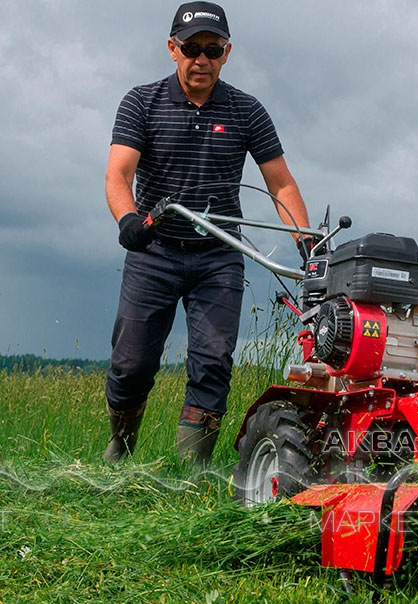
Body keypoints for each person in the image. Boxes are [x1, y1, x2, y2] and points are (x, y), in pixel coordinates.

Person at [103, 1, 312, 465]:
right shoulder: (142, 101)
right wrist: (128, 220)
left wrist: (307, 243)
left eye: (212, 49)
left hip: (219, 253)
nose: (202, 59)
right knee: (130, 364)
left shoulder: (245, 110)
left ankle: (189, 476)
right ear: (173, 50)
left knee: (213, 362)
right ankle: (121, 443)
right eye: (192, 48)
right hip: (152, 249)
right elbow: (118, 174)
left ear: (227, 52)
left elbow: (281, 182)